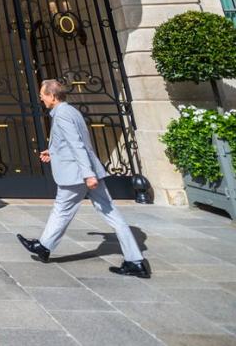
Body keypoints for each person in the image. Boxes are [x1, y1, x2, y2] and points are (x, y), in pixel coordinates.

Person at [17, 79, 151, 278]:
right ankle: (135, 261)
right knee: (111, 214)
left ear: (52, 96)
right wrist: (53, 151)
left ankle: (43, 246)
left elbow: (77, 145)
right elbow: (75, 142)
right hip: (86, 171)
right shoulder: (72, 111)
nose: (41, 98)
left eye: (43, 95)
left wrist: (88, 174)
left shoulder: (61, 115)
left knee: (62, 210)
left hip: (77, 175)